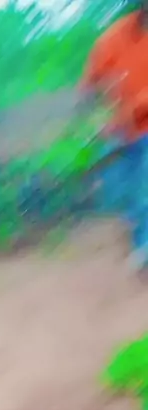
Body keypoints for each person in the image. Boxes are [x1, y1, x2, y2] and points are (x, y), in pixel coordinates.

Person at [79, 2, 148, 274]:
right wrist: (96, 120)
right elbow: (89, 87)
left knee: (144, 190)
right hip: (118, 132)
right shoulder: (113, 37)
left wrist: (133, 109)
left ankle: (144, 246)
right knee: (121, 193)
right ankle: (138, 236)